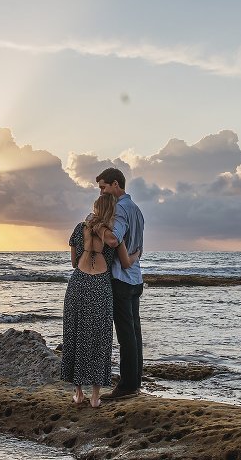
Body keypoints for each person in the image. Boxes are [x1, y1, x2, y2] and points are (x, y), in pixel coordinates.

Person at [61, 194, 141, 408]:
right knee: (100, 338)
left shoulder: (79, 228)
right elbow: (126, 263)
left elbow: (73, 262)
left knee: (75, 334)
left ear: (95, 208)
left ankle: (79, 393)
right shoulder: (114, 236)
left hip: (78, 284)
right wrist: (137, 254)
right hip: (100, 287)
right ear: (112, 212)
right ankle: (95, 397)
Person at [96, 167, 145, 400]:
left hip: (121, 278)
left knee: (126, 335)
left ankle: (126, 386)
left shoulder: (121, 209)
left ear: (116, 184)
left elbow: (114, 239)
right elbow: (139, 246)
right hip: (135, 277)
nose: (101, 192)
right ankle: (135, 381)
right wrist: (134, 257)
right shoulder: (136, 209)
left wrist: (97, 226)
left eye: (103, 187)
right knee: (134, 332)